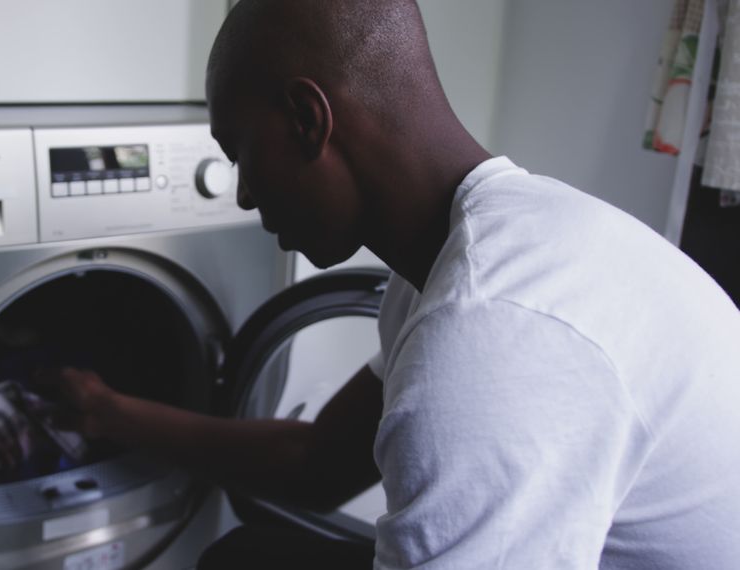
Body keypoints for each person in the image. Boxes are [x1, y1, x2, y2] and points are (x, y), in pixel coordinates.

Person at [45, 0, 740, 567]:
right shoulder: (479, 245)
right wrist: (111, 412)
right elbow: (316, 463)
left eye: (241, 155)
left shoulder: (490, 331)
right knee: (243, 561)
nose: (247, 197)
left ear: (308, 120)